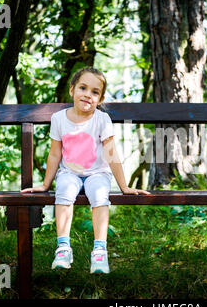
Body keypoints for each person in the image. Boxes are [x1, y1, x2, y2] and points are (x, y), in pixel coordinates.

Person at [20, 67, 149, 274]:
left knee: (99, 194)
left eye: (95, 92)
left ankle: (100, 251)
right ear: (72, 90)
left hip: (97, 173)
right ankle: (63, 247)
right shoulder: (59, 119)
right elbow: (55, 154)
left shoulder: (102, 120)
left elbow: (111, 153)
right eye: (83, 88)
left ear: (100, 98)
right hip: (69, 173)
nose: (88, 94)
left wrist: (124, 186)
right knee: (64, 190)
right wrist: (45, 185)